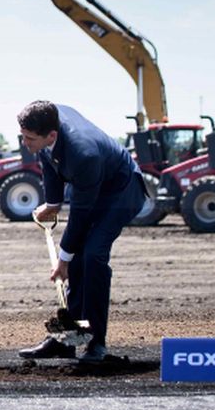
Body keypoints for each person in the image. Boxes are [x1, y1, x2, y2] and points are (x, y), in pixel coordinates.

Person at [16, 101, 146, 363]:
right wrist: (52, 204)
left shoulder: (82, 154)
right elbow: (49, 163)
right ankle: (67, 340)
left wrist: (63, 260)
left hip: (121, 191)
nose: (24, 142)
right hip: (93, 184)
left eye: (29, 138)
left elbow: (80, 215)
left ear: (52, 134)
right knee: (77, 256)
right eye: (22, 135)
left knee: (92, 256)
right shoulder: (46, 124)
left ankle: (96, 342)